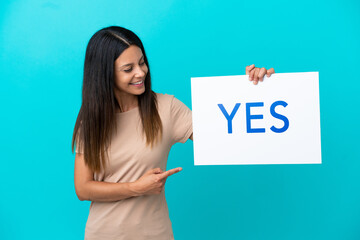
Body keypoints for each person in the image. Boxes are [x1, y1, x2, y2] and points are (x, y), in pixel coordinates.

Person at [72, 26, 275, 240]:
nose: (140, 72)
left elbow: (224, 138)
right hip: (102, 234)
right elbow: (83, 188)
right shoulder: (92, 119)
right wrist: (136, 188)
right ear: (105, 73)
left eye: (142, 62)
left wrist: (255, 91)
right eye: (128, 68)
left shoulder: (166, 108)